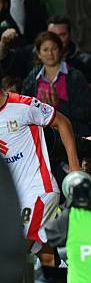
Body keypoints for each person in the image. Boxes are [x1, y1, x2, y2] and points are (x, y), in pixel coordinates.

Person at [0, 90, 79, 255]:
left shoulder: (23, 105)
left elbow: (62, 122)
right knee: (39, 256)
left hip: (39, 190)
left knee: (14, 250)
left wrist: (74, 167)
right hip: (12, 200)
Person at [21, 31, 91, 137]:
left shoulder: (76, 77)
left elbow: (88, 112)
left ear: (60, 51)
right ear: (39, 54)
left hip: (74, 135)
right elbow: (24, 112)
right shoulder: (31, 80)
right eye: (45, 50)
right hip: (43, 139)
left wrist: (59, 105)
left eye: (54, 49)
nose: (50, 53)